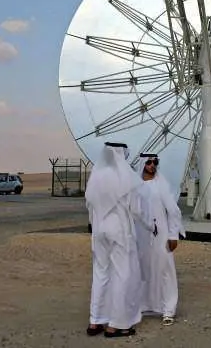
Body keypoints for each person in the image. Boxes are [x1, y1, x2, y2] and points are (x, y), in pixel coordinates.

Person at [85, 142, 153, 338]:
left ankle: (95, 321)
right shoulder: (125, 176)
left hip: (98, 232)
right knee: (123, 275)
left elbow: (90, 206)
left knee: (100, 274)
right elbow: (137, 210)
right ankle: (116, 324)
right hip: (119, 232)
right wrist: (150, 225)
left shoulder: (96, 176)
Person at [133, 153, 186, 326]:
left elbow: (173, 211)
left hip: (161, 234)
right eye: (148, 162)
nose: (152, 165)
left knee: (165, 269)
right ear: (142, 164)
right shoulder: (135, 185)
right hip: (139, 235)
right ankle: (143, 305)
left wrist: (173, 235)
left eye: (155, 162)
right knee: (142, 269)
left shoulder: (161, 184)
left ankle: (168, 309)